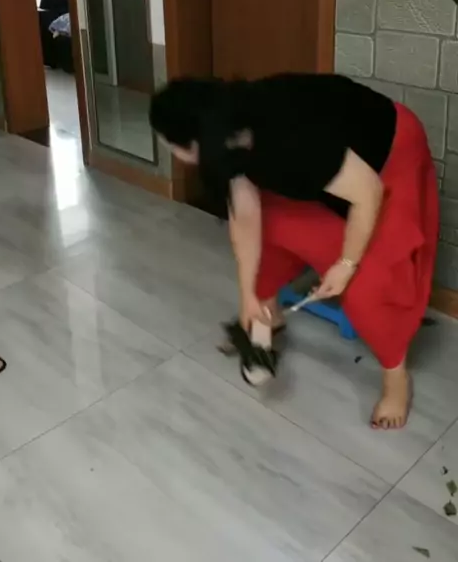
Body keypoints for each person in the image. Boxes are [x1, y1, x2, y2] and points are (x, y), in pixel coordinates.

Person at [149, 74, 439, 430]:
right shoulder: (228, 136)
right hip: (335, 166)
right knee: (266, 228)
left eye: (172, 147)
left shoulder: (289, 140)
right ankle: (267, 317)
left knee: (370, 282)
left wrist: (346, 264)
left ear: (197, 142)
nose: (175, 156)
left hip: (388, 156)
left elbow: (368, 192)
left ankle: (397, 378)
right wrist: (248, 297)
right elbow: (246, 217)